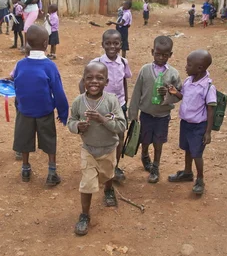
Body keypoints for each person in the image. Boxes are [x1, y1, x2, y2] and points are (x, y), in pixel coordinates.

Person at [69, 62, 127, 236]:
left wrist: (102, 119)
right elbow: (70, 121)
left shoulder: (111, 101)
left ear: (107, 81)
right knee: (87, 184)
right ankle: (85, 215)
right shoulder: (79, 101)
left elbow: (121, 125)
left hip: (109, 149)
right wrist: (78, 126)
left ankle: (108, 190)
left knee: (108, 174)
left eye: (99, 78)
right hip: (89, 149)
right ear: (83, 80)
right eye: (89, 78)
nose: (94, 81)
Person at [12, 25, 69, 186]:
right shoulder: (49, 66)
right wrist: (63, 112)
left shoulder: (20, 64)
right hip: (44, 110)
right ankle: (51, 172)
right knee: (49, 139)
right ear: (46, 44)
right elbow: (58, 91)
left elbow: (17, 85)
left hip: (25, 110)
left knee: (24, 139)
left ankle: (25, 169)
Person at [80, 29, 132, 184]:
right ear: (103, 44)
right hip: (101, 107)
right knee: (102, 136)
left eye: (116, 43)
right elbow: (82, 83)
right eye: (108, 43)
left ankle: (115, 167)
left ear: (121, 44)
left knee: (120, 136)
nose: (112, 47)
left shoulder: (123, 62)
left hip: (120, 105)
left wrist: (126, 101)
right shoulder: (97, 63)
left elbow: (124, 81)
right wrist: (88, 102)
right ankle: (98, 166)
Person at [129, 36, 182, 183]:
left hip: (162, 115)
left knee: (159, 142)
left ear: (170, 55)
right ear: (152, 52)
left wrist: (168, 94)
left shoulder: (173, 74)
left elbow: (179, 95)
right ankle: (145, 155)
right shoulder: (145, 70)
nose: (161, 57)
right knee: (145, 140)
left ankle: (155, 167)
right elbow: (136, 93)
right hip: (146, 114)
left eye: (165, 55)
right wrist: (133, 114)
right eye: (158, 54)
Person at [168, 50, 216, 195]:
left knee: (197, 153)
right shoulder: (189, 81)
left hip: (198, 126)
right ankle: (187, 172)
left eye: (189, 65)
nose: (186, 67)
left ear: (200, 68)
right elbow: (185, 96)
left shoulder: (208, 87)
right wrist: (176, 93)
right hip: (186, 123)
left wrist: (208, 132)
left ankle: (200, 179)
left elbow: (211, 109)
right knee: (187, 149)